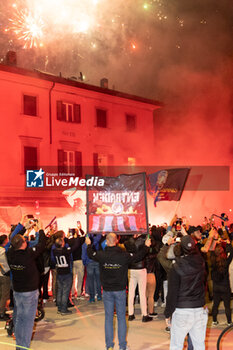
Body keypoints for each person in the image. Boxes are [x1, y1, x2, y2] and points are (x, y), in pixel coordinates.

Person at [86, 232, 151, 350]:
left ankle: (109, 346)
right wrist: (146, 246)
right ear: (116, 241)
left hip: (107, 291)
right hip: (120, 291)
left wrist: (88, 244)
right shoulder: (123, 256)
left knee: (108, 318)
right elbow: (138, 256)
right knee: (121, 318)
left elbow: (90, 254)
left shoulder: (101, 255)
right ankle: (122, 347)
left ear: (106, 241)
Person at [6, 221, 46, 350]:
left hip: (18, 291)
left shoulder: (10, 253)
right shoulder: (28, 254)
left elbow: (12, 240)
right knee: (28, 322)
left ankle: (20, 346)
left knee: (19, 319)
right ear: (24, 244)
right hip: (29, 292)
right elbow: (41, 244)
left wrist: (23, 229)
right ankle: (24, 347)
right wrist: (40, 230)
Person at [164, 235, 208, 350]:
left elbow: (172, 293)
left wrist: (168, 313)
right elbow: (204, 285)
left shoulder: (176, 267)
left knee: (176, 346)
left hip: (182, 310)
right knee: (199, 346)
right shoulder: (202, 263)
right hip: (199, 309)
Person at [124, 234, 153, 322]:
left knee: (131, 292)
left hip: (131, 268)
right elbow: (142, 255)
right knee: (142, 293)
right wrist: (146, 246)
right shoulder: (143, 240)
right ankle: (144, 314)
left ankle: (130, 314)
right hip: (141, 268)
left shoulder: (127, 242)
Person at [210, 241, 233, 325]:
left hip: (216, 287)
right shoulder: (226, 262)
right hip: (225, 286)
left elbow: (211, 252)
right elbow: (232, 253)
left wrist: (215, 242)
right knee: (227, 306)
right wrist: (228, 243)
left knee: (215, 305)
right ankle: (229, 322)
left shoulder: (212, 262)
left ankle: (214, 320)